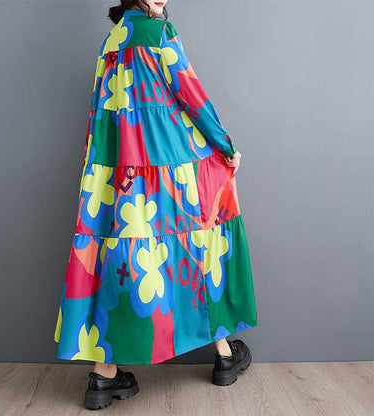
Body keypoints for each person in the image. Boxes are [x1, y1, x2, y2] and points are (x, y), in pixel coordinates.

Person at [53, 0, 259, 410]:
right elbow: (192, 97)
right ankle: (223, 356)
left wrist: (99, 172)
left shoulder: (112, 40)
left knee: (123, 259)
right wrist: (226, 147)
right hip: (171, 165)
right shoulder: (160, 33)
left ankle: (103, 376)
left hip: (122, 174)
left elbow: (100, 114)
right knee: (198, 245)